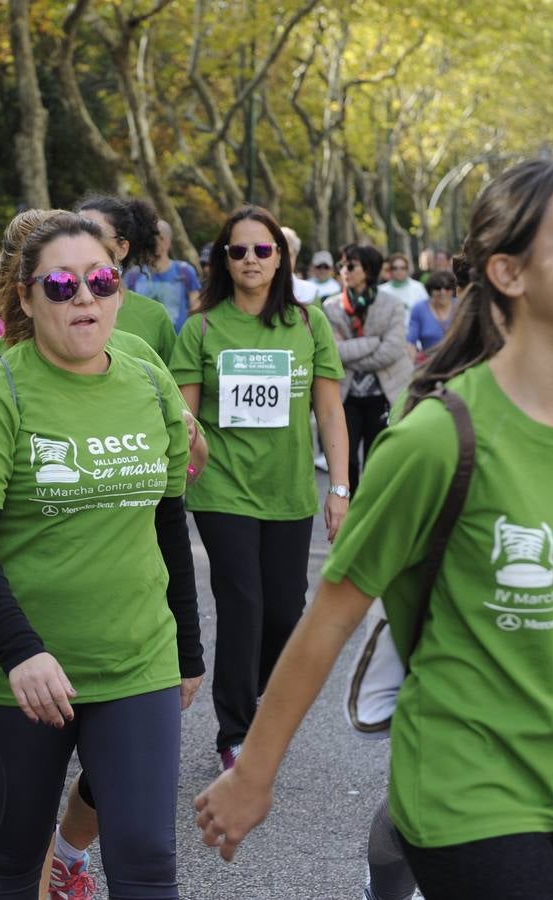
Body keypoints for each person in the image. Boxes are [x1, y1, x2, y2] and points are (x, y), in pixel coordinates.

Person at [193, 158, 553, 900]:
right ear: (509, 272)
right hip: (462, 787)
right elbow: (328, 619)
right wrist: (252, 775)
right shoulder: (436, 439)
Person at [0, 212, 203, 898]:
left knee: (146, 860)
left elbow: (168, 521)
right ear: (25, 296)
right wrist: (21, 650)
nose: (86, 297)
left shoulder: (147, 376)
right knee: (14, 855)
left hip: (136, 660)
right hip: (19, 675)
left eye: (102, 281)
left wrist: (187, 649)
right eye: (62, 285)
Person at [169, 205, 349, 771]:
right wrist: (183, 468)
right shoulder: (201, 327)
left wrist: (340, 488)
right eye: (239, 250)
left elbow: (330, 412)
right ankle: (235, 732)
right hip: (222, 489)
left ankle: (262, 694)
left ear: (280, 258)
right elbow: (185, 418)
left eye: (262, 250)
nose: (251, 260)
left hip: (289, 490)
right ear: (225, 259)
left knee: (284, 611)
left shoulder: (309, 323)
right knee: (242, 603)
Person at [323, 244, 413, 491]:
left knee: (378, 460)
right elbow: (332, 352)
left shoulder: (391, 304)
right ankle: (348, 515)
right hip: (346, 396)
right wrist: (373, 343)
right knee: (347, 460)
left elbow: (392, 351)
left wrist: (350, 350)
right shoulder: (330, 307)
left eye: (351, 266)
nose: (344, 270)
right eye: (341, 265)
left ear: (368, 270)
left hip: (383, 396)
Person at [77, 195, 178, 362]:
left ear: (122, 248)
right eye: (75, 233)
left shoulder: (154, 315)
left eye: (95, 235)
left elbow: (171, 384)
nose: (81, 243)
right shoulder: (58, 307)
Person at [123, 219, 201, 331]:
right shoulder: (133, 276)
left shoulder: (184, 271)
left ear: (166, 241)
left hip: (177, 343)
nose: (151, 242)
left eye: (156, 238)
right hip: (142, 343)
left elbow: (196, 307)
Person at [406, 269, 458, 364]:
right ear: (430, 290)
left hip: (459, 363)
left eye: (447, 288)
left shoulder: (461, 305)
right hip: (430, 365)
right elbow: (411, 343)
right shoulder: (419, 309)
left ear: (452, 289)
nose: (442, 292)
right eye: (438, 288)